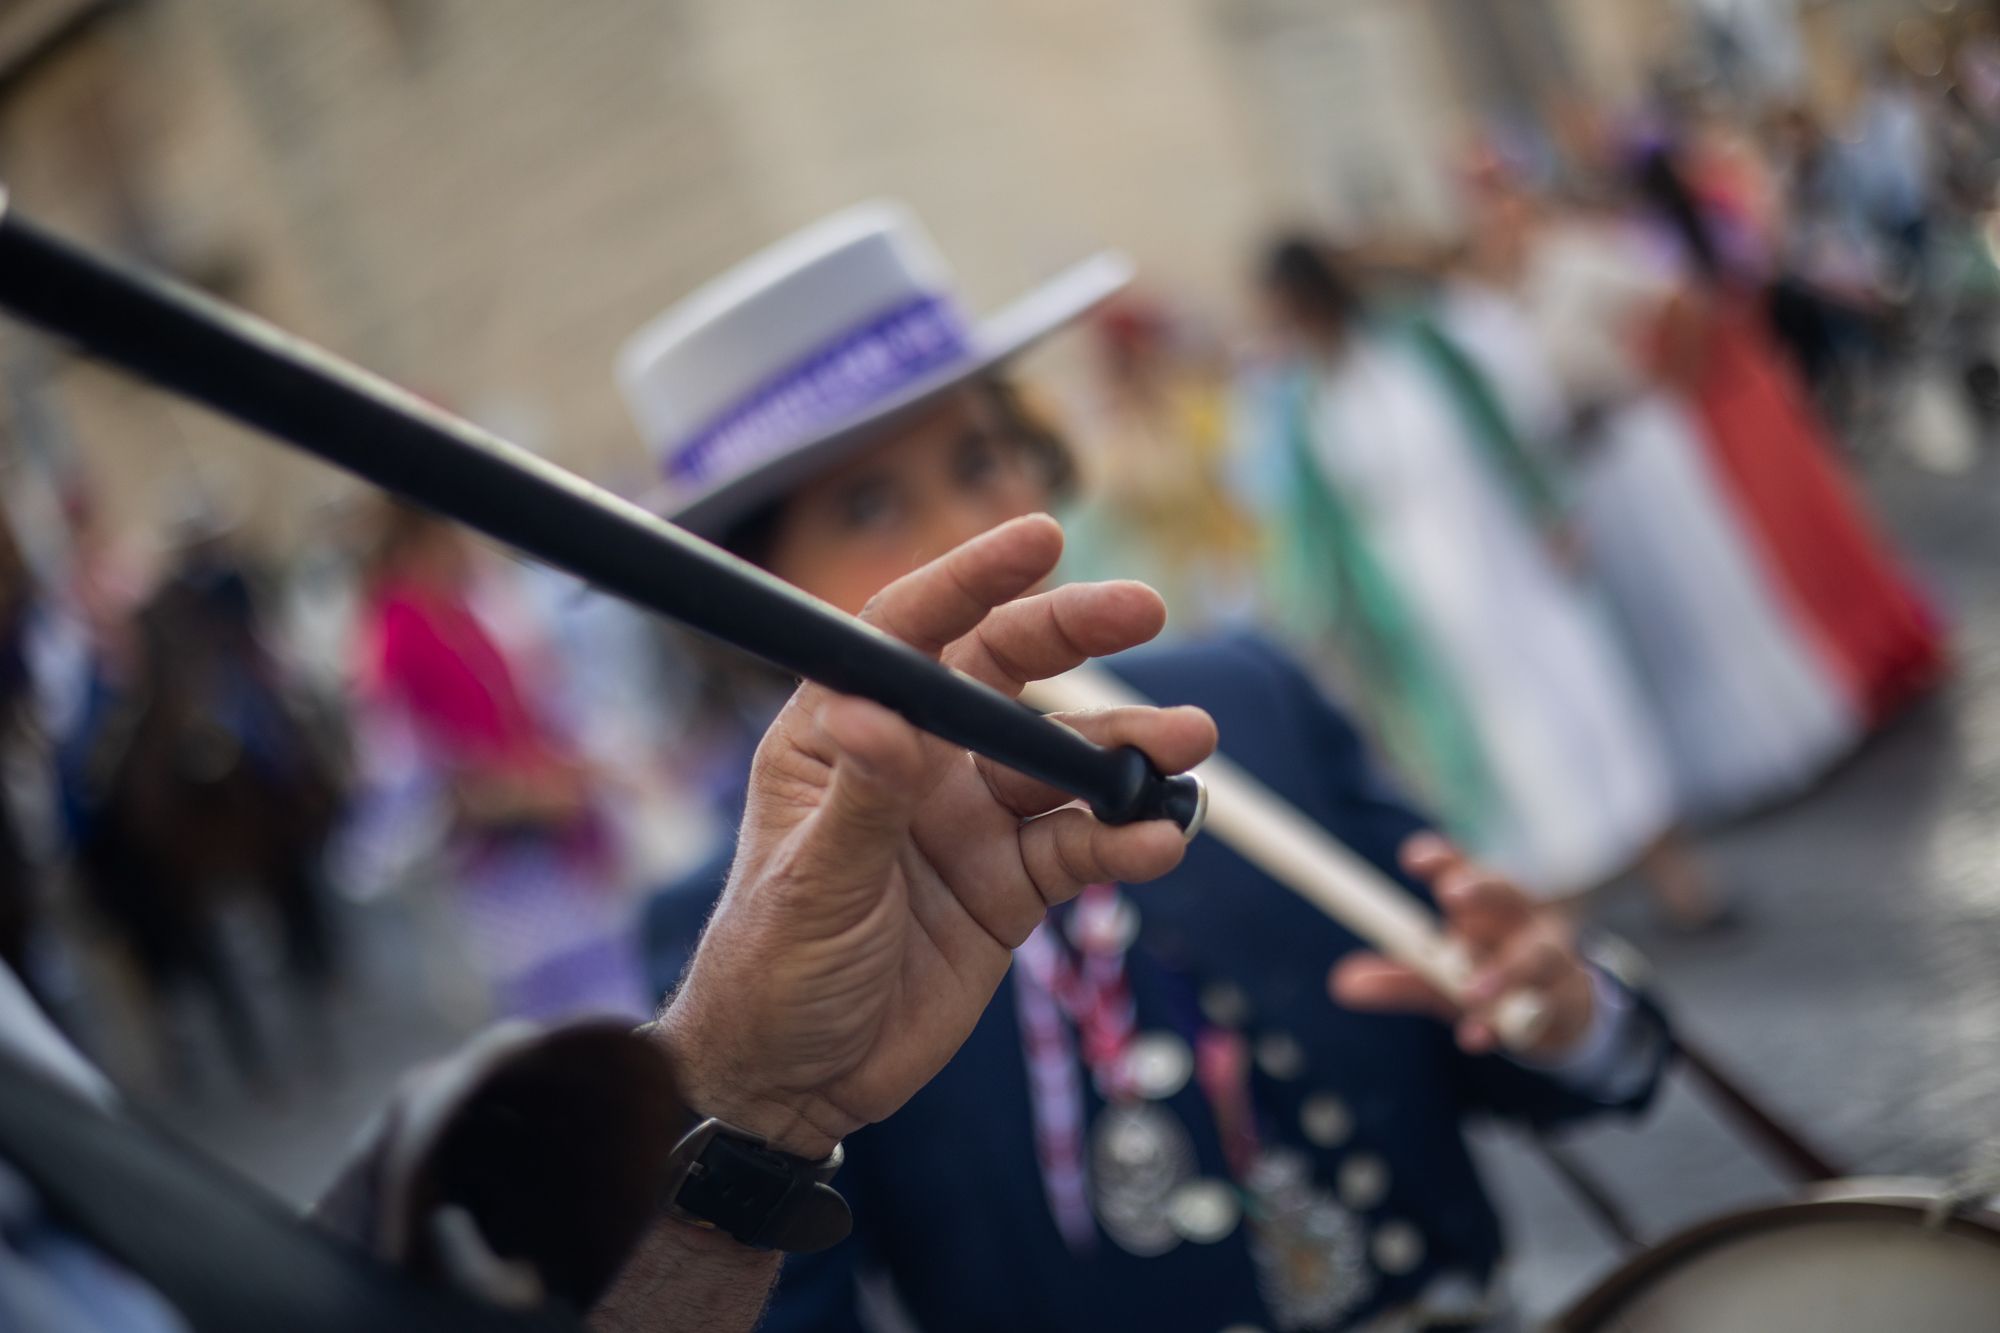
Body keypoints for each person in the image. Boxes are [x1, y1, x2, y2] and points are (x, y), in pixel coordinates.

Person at [626, 203, 1673, 1331]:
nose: (963, 531)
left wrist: (1559, 1011)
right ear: (751, 597)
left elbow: (1496, 1034)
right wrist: (743, 1113)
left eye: (981, 456)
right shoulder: (744, 927)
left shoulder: (1241, 705)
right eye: (868, 505)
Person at [0, 513, 1214, 1332]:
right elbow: (417, 755)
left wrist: (750, 1102)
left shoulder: (474, 603)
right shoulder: (385, 620)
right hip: (507, 859)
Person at [1243, 236, 1712, 924]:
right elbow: (1314, 529)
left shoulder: (1417, 343)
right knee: (1505, 743)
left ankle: (1677, 876)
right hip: (1426, 604)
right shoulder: (1303, 403)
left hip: (1507, 552)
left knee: (1589, 695)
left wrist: (1548, 508)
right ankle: (1559, 905)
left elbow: (1501, 421)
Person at [1435, 171, 1860, 820]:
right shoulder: (1488, 302)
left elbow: (1679, 303)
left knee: (1703, 582)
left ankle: (1778, 732)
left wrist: (1667, 383)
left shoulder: (1578, 257)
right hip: (1585, 464)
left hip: (1633, 438)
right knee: (1655, 610)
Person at [351, 502, 646, 1020]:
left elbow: (526, 711)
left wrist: (573, 765)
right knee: (560, 1006)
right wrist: (506, 794)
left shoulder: (462, 612)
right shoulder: (396, 633)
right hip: (496, 850)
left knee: (610, 979)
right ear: (420, 543)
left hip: (552, 827)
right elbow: (403, 763)